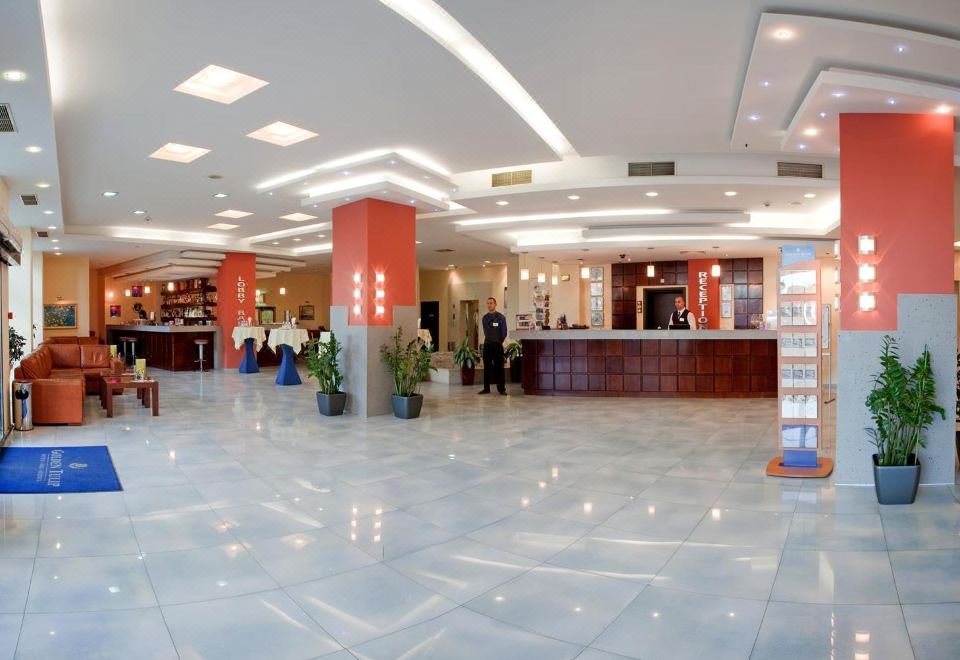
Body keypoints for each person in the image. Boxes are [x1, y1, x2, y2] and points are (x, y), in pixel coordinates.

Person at [479, 297, 507, 395]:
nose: (489, 305)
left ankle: (501, 389)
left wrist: (499, 341)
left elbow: (504, 332)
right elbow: (487, 331)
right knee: (486, 367)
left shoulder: (501, 317)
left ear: (495, 304)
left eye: (491, 303)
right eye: (488, 303)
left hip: (498, 345)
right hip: (488, 344)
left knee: (500, 367)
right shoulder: (485, 318)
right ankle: (486, 388)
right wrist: (491, 339)